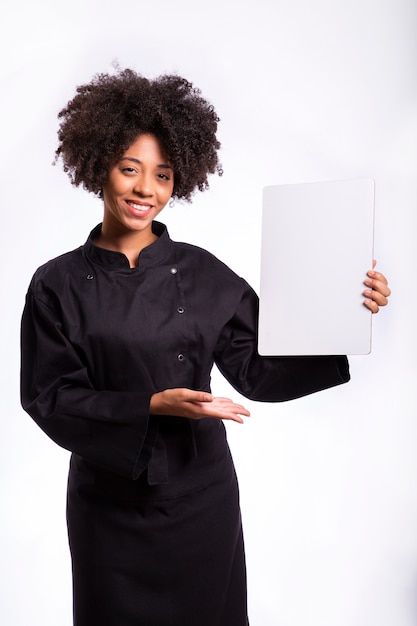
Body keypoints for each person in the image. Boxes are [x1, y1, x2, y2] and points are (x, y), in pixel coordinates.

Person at [20, 68, 391, 626]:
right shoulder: (56, 284)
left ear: (179, 181)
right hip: (108, 511)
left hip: (201, 502)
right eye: (130, 169)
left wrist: (348, 311)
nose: (146, 189)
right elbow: (49, 397)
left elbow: (259, 367)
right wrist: (150, 406)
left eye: (163, 175)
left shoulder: (202, 272)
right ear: (99, 164)